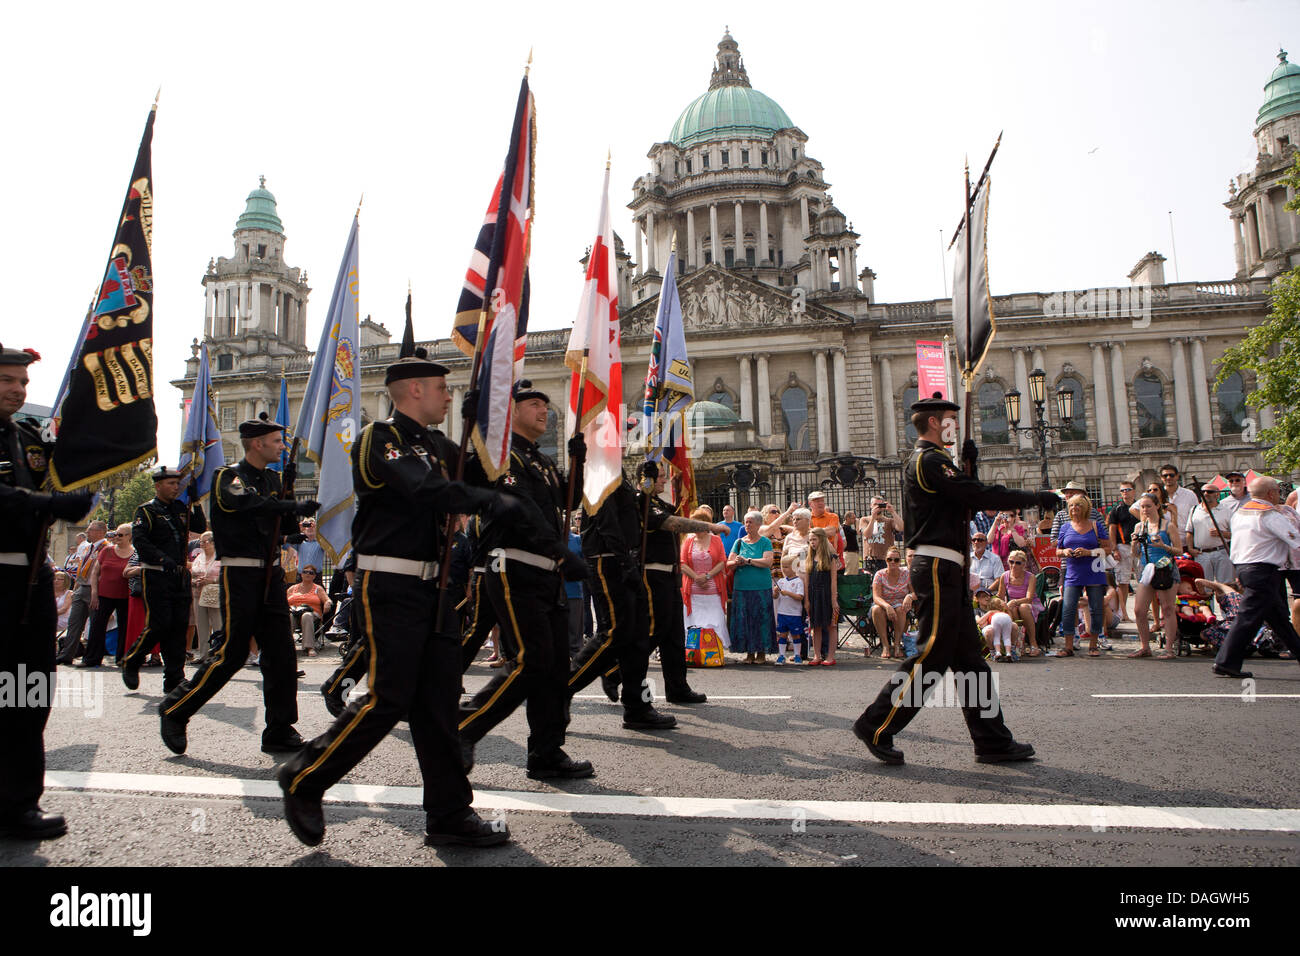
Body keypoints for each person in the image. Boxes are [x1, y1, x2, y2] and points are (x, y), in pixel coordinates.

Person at [279, 349, 509, 848]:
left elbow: (484, 477)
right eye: (442, 387)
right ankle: (305, 776)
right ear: (413, 390)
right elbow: (423, 487)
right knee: (389, 699)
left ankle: (449, 815)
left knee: (439, 705)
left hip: (435, 588)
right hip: (392, 586)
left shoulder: (440, 445)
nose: (449, 394)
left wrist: (483, 429)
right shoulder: (378, 439)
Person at [852, 393, 1060, 766]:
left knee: (970, 659)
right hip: (936, 567)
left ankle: (992, 740)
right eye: (950, 418)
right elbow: (976, 496)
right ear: (934, 423)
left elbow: (963, 501)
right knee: (932, 655)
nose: (954, 424)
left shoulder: (936, 462)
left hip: (949, 567)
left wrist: (969, 466)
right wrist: (1034, 497)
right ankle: (876, 724)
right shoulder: (928, 460)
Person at [158, 413, 319, 756]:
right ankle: (176, 709)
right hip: (241, 574)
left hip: (271, 574)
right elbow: (244, 503)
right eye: (276, 441)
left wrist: (289, 494)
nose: (281, 446)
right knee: (231, 654)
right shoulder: (227, 477)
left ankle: (279, 727)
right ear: (257, 444)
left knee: (281, 654)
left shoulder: (274, 481)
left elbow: (284, 525)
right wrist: (287, 501)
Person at [461, 380, 597, 772]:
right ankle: (464, 727)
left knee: (555, 669)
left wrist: (577, 463)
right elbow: (518, 509)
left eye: (545, 404)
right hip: (515, 566)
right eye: (534, 404)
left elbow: (567, 501)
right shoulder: (500, 456)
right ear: (513, 410)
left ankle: (546, 751)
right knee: (531, 660)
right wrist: (559, 552)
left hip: (546, 573)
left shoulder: (540, 459)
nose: (543, 410)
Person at [0, 340, 94, 838]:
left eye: (23, 383)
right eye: (8, 381)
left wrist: (87, 476)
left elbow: (69, 502)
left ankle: (18, 803)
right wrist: (42, 503)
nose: (18, 390)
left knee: (27, 691)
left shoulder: (29, 439)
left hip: (30, 581)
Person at [632, 463, 728, 704]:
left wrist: (678, 485)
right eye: (661, 478)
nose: (664, 481)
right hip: (651, 576)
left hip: (670, 577)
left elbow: (674, 515)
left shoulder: (658, 504)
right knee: (652, 634)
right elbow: (674, 524)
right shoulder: (641, 503)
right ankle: (625, 681)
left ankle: (677, 687)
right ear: (647, 480)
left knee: (674, 636)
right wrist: (709, 526)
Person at [121, 466, 206, 694]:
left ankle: (174, 678)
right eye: (171, 483)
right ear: (158, 486)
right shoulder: (146, 511)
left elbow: (199, 527)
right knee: (160, 624)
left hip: (178, 575)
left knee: (178, 628)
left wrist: (196, 501)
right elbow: (141, 541)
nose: (175, 487)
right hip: (157, 573)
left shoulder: (180, 508)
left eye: (178, 484)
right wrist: (163, 559)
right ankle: (133, 659)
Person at [1211, 475, 1300, 678]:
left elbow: (1236, 546)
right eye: (1277, 491)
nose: (1279, 494)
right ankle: (1225, 662)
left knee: (1279, 621)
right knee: (1247, 619)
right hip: (1264, 572)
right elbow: (1295, 539)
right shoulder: (1269, 514)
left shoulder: (1240, 513)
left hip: (1245, 568)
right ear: (1270, 493)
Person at [1054, 493, 1109, 658]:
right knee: (1068, 608)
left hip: (1094, 571)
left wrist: (1089, 552)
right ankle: (1068, 646)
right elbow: (1057, 551)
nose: (1073, 508)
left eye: (1077, 505)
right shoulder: (1065, 527)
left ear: (1084, 508)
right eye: (1071, 506)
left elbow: (1108, 549)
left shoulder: (1095, 525)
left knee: (1096, 608)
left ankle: (1093, 644)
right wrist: (1065, 551)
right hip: (1073, 572)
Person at [1129, 492, 1181, 659]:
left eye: (1148, 506)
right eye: (1142, 507)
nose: (1145, 510)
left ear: (1157, 506)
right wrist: (1134, 542)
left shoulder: (1168, 526)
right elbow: (1135, 554)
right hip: (1147, 569)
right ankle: (1145, 646)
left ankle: (1169, 649)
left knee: (1167, 608)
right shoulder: (1139, 527)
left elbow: (1179, 550)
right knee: (1139, 610)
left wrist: (1163, 545)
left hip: (1166, 568)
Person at [78, 522, 134, 668]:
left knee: (124, 627)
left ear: (130, 536)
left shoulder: (135, 553)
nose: (116, 537)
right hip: (104, 594)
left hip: (125, 596)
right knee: (97, 626)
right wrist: (94, 593)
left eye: (120, 535)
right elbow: (95, 573)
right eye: (115, 534)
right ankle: (91, 659)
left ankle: (122, 659)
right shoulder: (107, 551)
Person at [728, 510, 777, 663]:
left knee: (761, 619)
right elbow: (728, 563)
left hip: (760, 587)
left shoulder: (765, 542)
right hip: (741, 587)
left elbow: (768, 562)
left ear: (758, 524)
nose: (747, 525)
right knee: (744, 620)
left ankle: (761, 653)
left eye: (750, 522)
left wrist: (749, 561)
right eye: (746, 521)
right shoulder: (739, 542)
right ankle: (749, 653)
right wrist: (736, 562)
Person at [55, 519, 106, 664]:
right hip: (81, 586)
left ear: (100, 531)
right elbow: (80, 568)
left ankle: (92, 657)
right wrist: (75, 588)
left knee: (95, 624)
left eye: (91, 529)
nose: (87, 531)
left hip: (95, 588)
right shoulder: (85, 548)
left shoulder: (105, 547)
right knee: (74, 622)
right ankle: (66, 654)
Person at [681, 505, 731, 649]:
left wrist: (708, 576)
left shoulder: (715, 540)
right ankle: (694, 650)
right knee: (693, 620)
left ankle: (714, 649)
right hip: (693, 589)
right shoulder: (688, 540)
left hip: (713, 589)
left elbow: (722, 561)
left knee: (715, 619)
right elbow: (682, 563)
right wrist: (696, 577)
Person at [1185, 484, 1236, 585]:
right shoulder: (1194, 510)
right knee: (1204, 587)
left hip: (1221, 552)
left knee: (1225, 586)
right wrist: (1190, 548)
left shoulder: (1226, 511)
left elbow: (1235, 534)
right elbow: (1189, 531)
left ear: (1217, 495)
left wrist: (1221, 533)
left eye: (1209, 492)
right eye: (1203, 491)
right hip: (1201, 554)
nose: (1205, 494)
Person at [994, 549, 1042, 656]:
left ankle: (1034, 643)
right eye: (1011, 562)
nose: (1013, 565)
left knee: (1023, 607)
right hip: (1013, 606)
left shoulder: (1030, 577)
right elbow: (1000, 595)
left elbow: (1029, 598)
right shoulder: (1005, 576)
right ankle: (1020, 642)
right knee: (1013, 608)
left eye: (1017, 563)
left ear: (1024, 564)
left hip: (1029, 604)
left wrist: (1014, 601)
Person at [871, 545, 913, 659]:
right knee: (876, 610)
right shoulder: (879, 574)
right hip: (883, 603)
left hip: (900, 603)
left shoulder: (906, 574)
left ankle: (897, 645)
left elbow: (916, 593)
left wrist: (909, 596)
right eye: (890, 559)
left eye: (896, 559)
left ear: (900, 561)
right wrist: (887, 606)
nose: (893, 562)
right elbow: (876, 597)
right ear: (886, 560)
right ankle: (885, 645)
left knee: (901, 609)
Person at [805, 526, 839, 665]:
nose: (812, 542)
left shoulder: (830, 558)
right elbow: (807, 581)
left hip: (826, 594)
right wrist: (806, 599)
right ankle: (817, 655)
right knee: (816, 626)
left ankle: (830, 656)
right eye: (810, 540)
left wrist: (833, 600)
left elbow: (833, 580)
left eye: (814, 539)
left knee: (831, 625)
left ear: (821, 539)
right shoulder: (809, 558)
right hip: (814, 595)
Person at [1107, 480, 1139, 622]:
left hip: (1140, 546)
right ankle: (1123, 612)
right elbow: (1112, 530)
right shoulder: (1117, 509)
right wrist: (1114, 549)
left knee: (1144, 580)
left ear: (1134, 491)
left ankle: (1144, 611)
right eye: (1122, 490)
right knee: (1123, 581)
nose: (1125, 493)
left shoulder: (1140, 506)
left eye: (1127, 490)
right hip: (1123, 546)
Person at [287, 565, 331, 657]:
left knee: (306, 615)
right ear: (301, 575)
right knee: (289, 616)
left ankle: (309, 647)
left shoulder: (317, 588)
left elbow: (327, 599)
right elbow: (282, 601)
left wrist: (327, 603)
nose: (308, 574)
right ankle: (287, 646)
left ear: (314, 576)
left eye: (311, 573)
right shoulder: (292, 588)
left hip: (312, 614)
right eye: (305, 572)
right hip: (294, 612)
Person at [190, 531, 221, 661]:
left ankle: (219, 654)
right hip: (198, 594)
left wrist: (211, 580)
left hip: (215, 595)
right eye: (200, 542)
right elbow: (192, 573)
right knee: (201, 625)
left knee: (218, 625)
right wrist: (195, 581)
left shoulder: (220, 557)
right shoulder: (199, 557)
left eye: (205, 541)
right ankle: (203, 654)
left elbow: (227, 575)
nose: (201, 544)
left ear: (213, 542)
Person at [773, 555, 806, 664]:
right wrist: (775, 592)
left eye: (787, 567)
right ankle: (781, 655)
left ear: (795, 567)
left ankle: (797, 655)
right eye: (783, 566)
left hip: (794, 614)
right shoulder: (781, 581)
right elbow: (775, 597)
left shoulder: (798, 581)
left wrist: (788, 593)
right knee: (782, 634)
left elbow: (800, 597)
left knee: (795, 635)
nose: (784, 569)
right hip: (782, 612)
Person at [860, 497, 903, 578]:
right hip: (870, 559)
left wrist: (893, 512)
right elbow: (867, 534)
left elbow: (901, 527)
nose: (877, 507)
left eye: (880, 505)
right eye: (875, 504)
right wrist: (873, 518)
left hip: (886, 559)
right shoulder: (864, 520)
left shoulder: (889, 521)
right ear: (870, 506)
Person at [975, 588, 1017, 662]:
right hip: (988, 629)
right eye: (982, 596)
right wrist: (990, 613)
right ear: (977, 599)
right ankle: (993, 652)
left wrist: (1007, 609)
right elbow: (979, 622)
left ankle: (1011, 651)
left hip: (1002, 629)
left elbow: (1009, 620)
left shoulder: (996, 607)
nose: (986, 598)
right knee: (990, 630)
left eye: (988, 596)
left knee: (1014, 625)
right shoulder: (976, 611)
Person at [1158, 464, 1199, 534]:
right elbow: (1134, 508)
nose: (1168, 477)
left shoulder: (1189, 495)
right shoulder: (1157, 494)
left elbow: (1196, 516)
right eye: (1165, 476)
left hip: (1185, 539)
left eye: (1171, 475)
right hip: (1164, 539)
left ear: (1177, 476)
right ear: (1161, 478)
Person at [842, 510, 861, 575]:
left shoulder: (849, 527)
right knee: (849, 572)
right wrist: (858, 523)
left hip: (853, 553)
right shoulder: (844, 528)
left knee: (855, 572)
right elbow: (858, 532)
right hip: (849, 553)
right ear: (847, 518)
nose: (854, 520)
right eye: (853, 518)